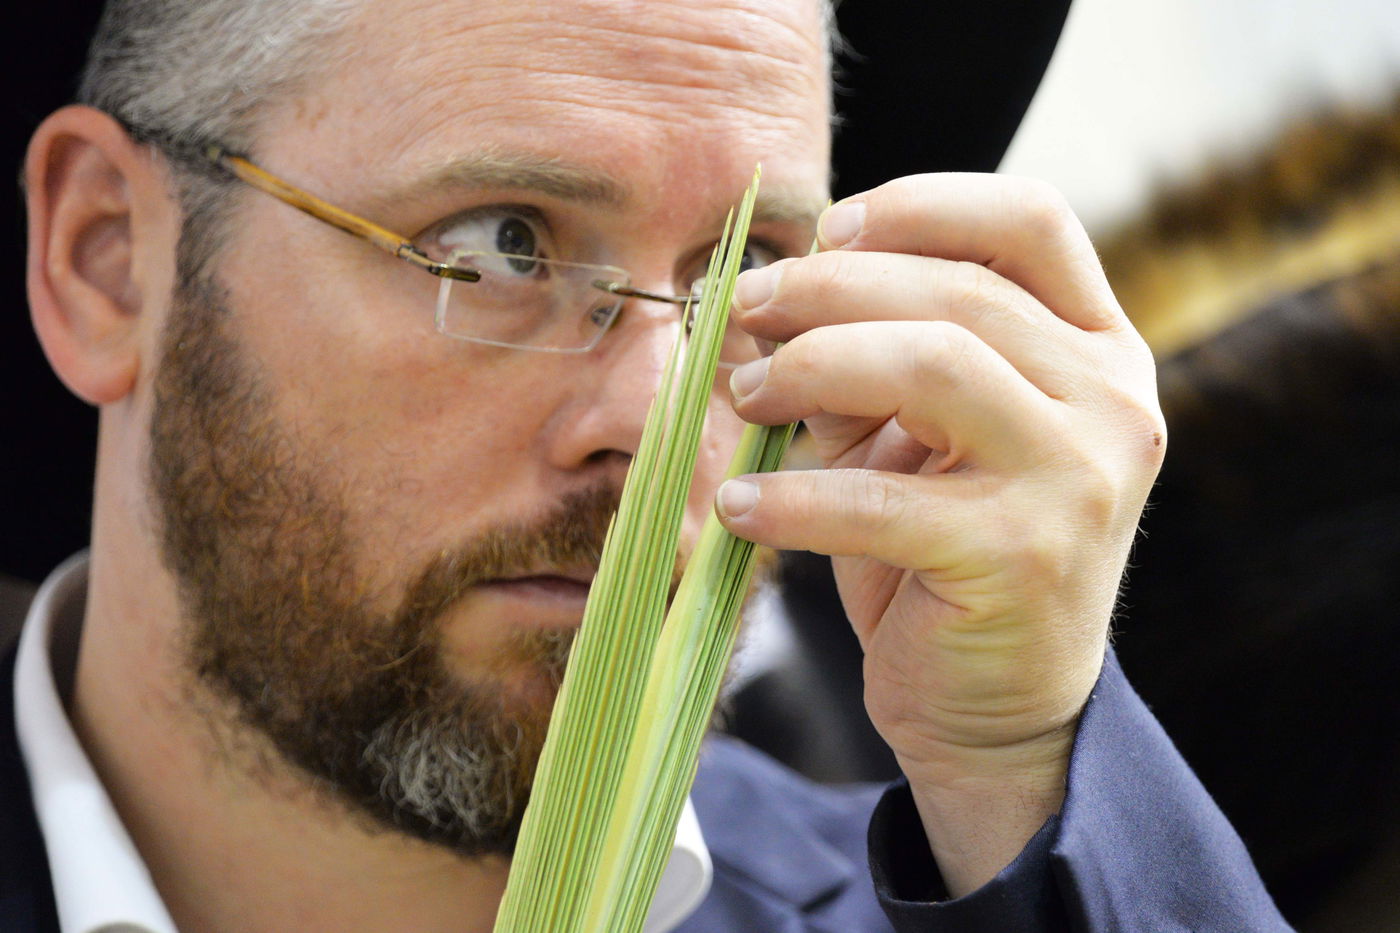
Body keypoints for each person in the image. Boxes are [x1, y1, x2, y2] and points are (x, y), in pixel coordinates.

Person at [1, 0, 1288, 930]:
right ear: (107, 259)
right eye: (503, 245)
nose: (655, 416)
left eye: (750, 275)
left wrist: (1021, 762)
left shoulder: (970, 889)